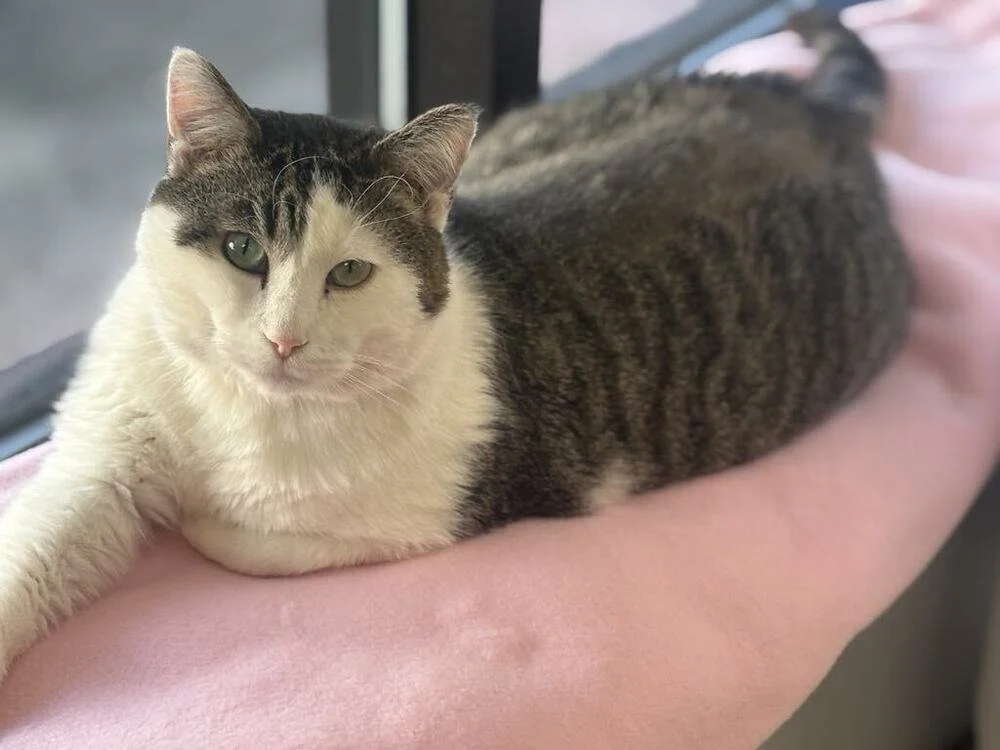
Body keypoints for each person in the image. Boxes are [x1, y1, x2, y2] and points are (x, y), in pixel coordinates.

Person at [1, 0, 998, 746]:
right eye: (241, 257)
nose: (284, 332)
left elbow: (472, 501)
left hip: (822, 268)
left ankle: (830, 98)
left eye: (348, 277)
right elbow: (82, 486)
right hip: (664, 146)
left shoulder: (436, 431)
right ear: (181, 177)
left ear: (427, 224)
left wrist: (246, 539)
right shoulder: (150, 331)